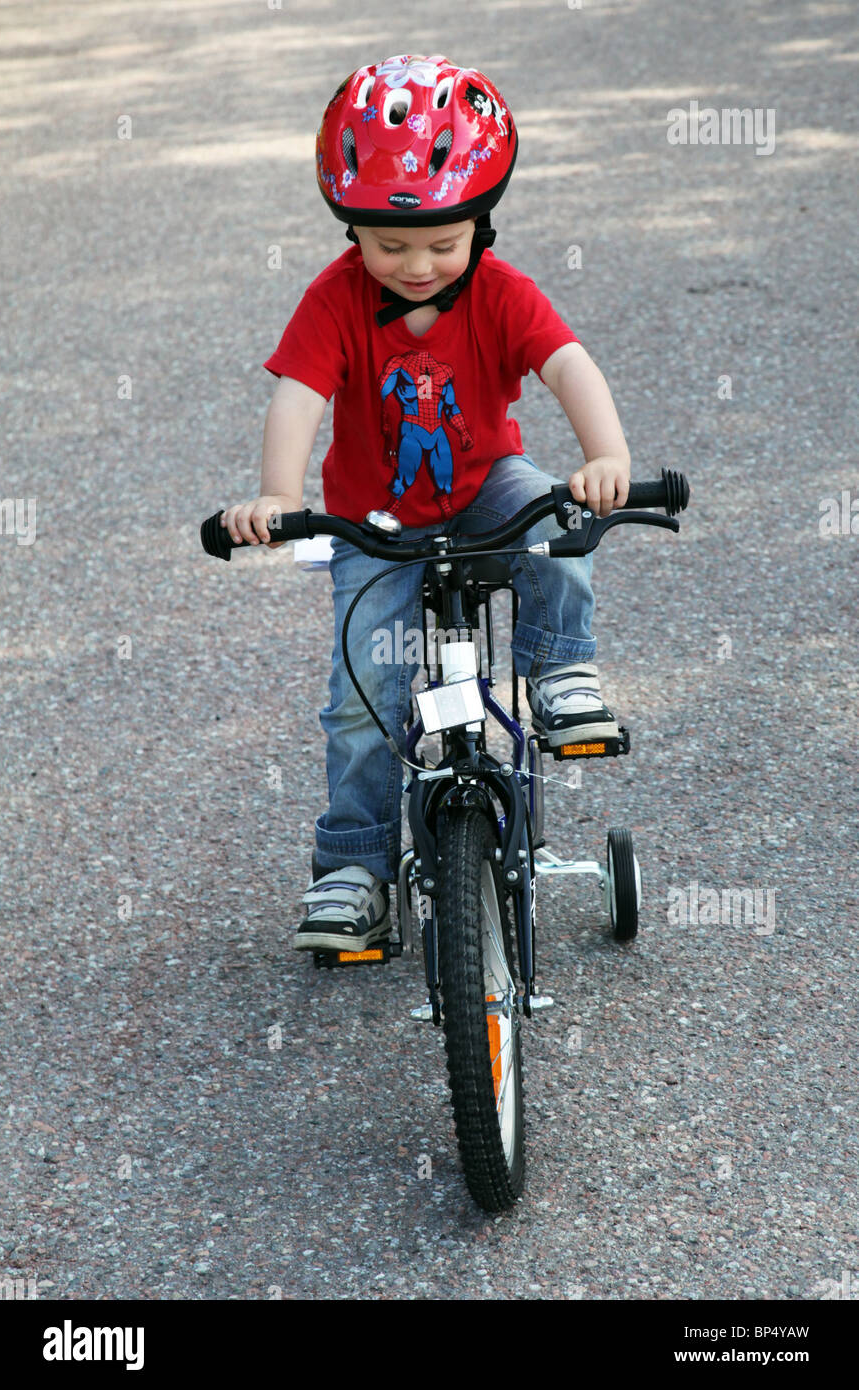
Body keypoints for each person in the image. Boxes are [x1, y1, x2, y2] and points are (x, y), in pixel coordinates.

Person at [220, 54, 632, 953]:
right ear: (350, 231)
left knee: (559, 516)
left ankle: (562, 673)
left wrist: (606, 458)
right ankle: (354, 870)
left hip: (488, 491)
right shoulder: (333, 302)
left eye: (442, 244)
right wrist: (277, 496)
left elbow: (568, 364)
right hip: (375, 525)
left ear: (482, 224)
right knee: (363, 694)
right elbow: (297, 396)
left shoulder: (501, 291)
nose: (416, 265)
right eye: (389, 245)